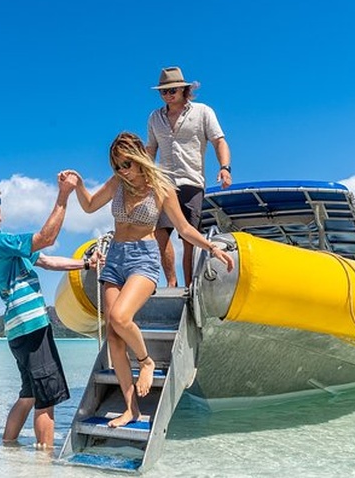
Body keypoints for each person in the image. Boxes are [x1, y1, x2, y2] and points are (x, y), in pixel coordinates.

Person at [64, 132, 234, 428]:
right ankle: (130, 408)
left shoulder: (162, 188)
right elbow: (90, 205)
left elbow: (183, 228)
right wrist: (78, 186)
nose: (121, 171)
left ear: (140, 158)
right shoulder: (118, 184)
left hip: (144, 259)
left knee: (120, 317)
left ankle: (146, 361)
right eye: (116, 166)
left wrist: (212, 247)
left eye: (126, 164)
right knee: (114, 337)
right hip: (115, 258)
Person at [0, 175, 100, 449]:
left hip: (18, 330)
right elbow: (46, 238)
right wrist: (64, 195)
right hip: (31, 325)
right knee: (46, 399)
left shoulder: (4, 246)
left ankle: (9, 452)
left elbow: (49, 261)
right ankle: (44, 464)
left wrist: (86, 264)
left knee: (28, 395)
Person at [146, 66, 233, 287]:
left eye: (172, 90)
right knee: (160, 232)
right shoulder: (155, 117)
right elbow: (150, 149)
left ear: (184, 90)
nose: (168, 95)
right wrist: (143, 175)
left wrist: (225, 168)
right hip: (164, 182)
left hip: (191, 182)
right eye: (163, 91)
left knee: (188, 238)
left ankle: (189, 286)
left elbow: (219, 141)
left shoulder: (203, 111)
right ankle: (172, 284)